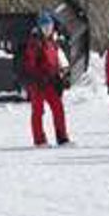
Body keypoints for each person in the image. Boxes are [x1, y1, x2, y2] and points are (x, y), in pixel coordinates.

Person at [20, 12, 71, 147]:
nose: (48, 29)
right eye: (45, 27)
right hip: (37, 84)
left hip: (51, 82)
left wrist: (62, 76)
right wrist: (37, 77)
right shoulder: (35, 43)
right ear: (40, 28)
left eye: (50, 26)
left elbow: (56, 61)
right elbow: (29, 64)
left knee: (58, 108)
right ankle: (39, 140)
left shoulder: (52, 42)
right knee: (38, 111)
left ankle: (62, 138)